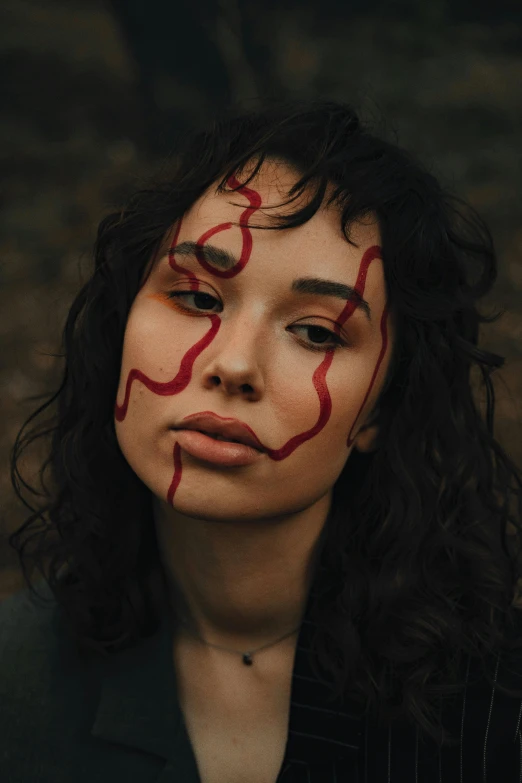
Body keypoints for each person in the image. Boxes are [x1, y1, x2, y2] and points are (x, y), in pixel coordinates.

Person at [2, 99, 522, 782]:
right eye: (197, 297)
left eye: (315, 331)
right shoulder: (17, 686)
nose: (234, 364)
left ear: (381, 409)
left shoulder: (498, 708)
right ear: (120, 323)